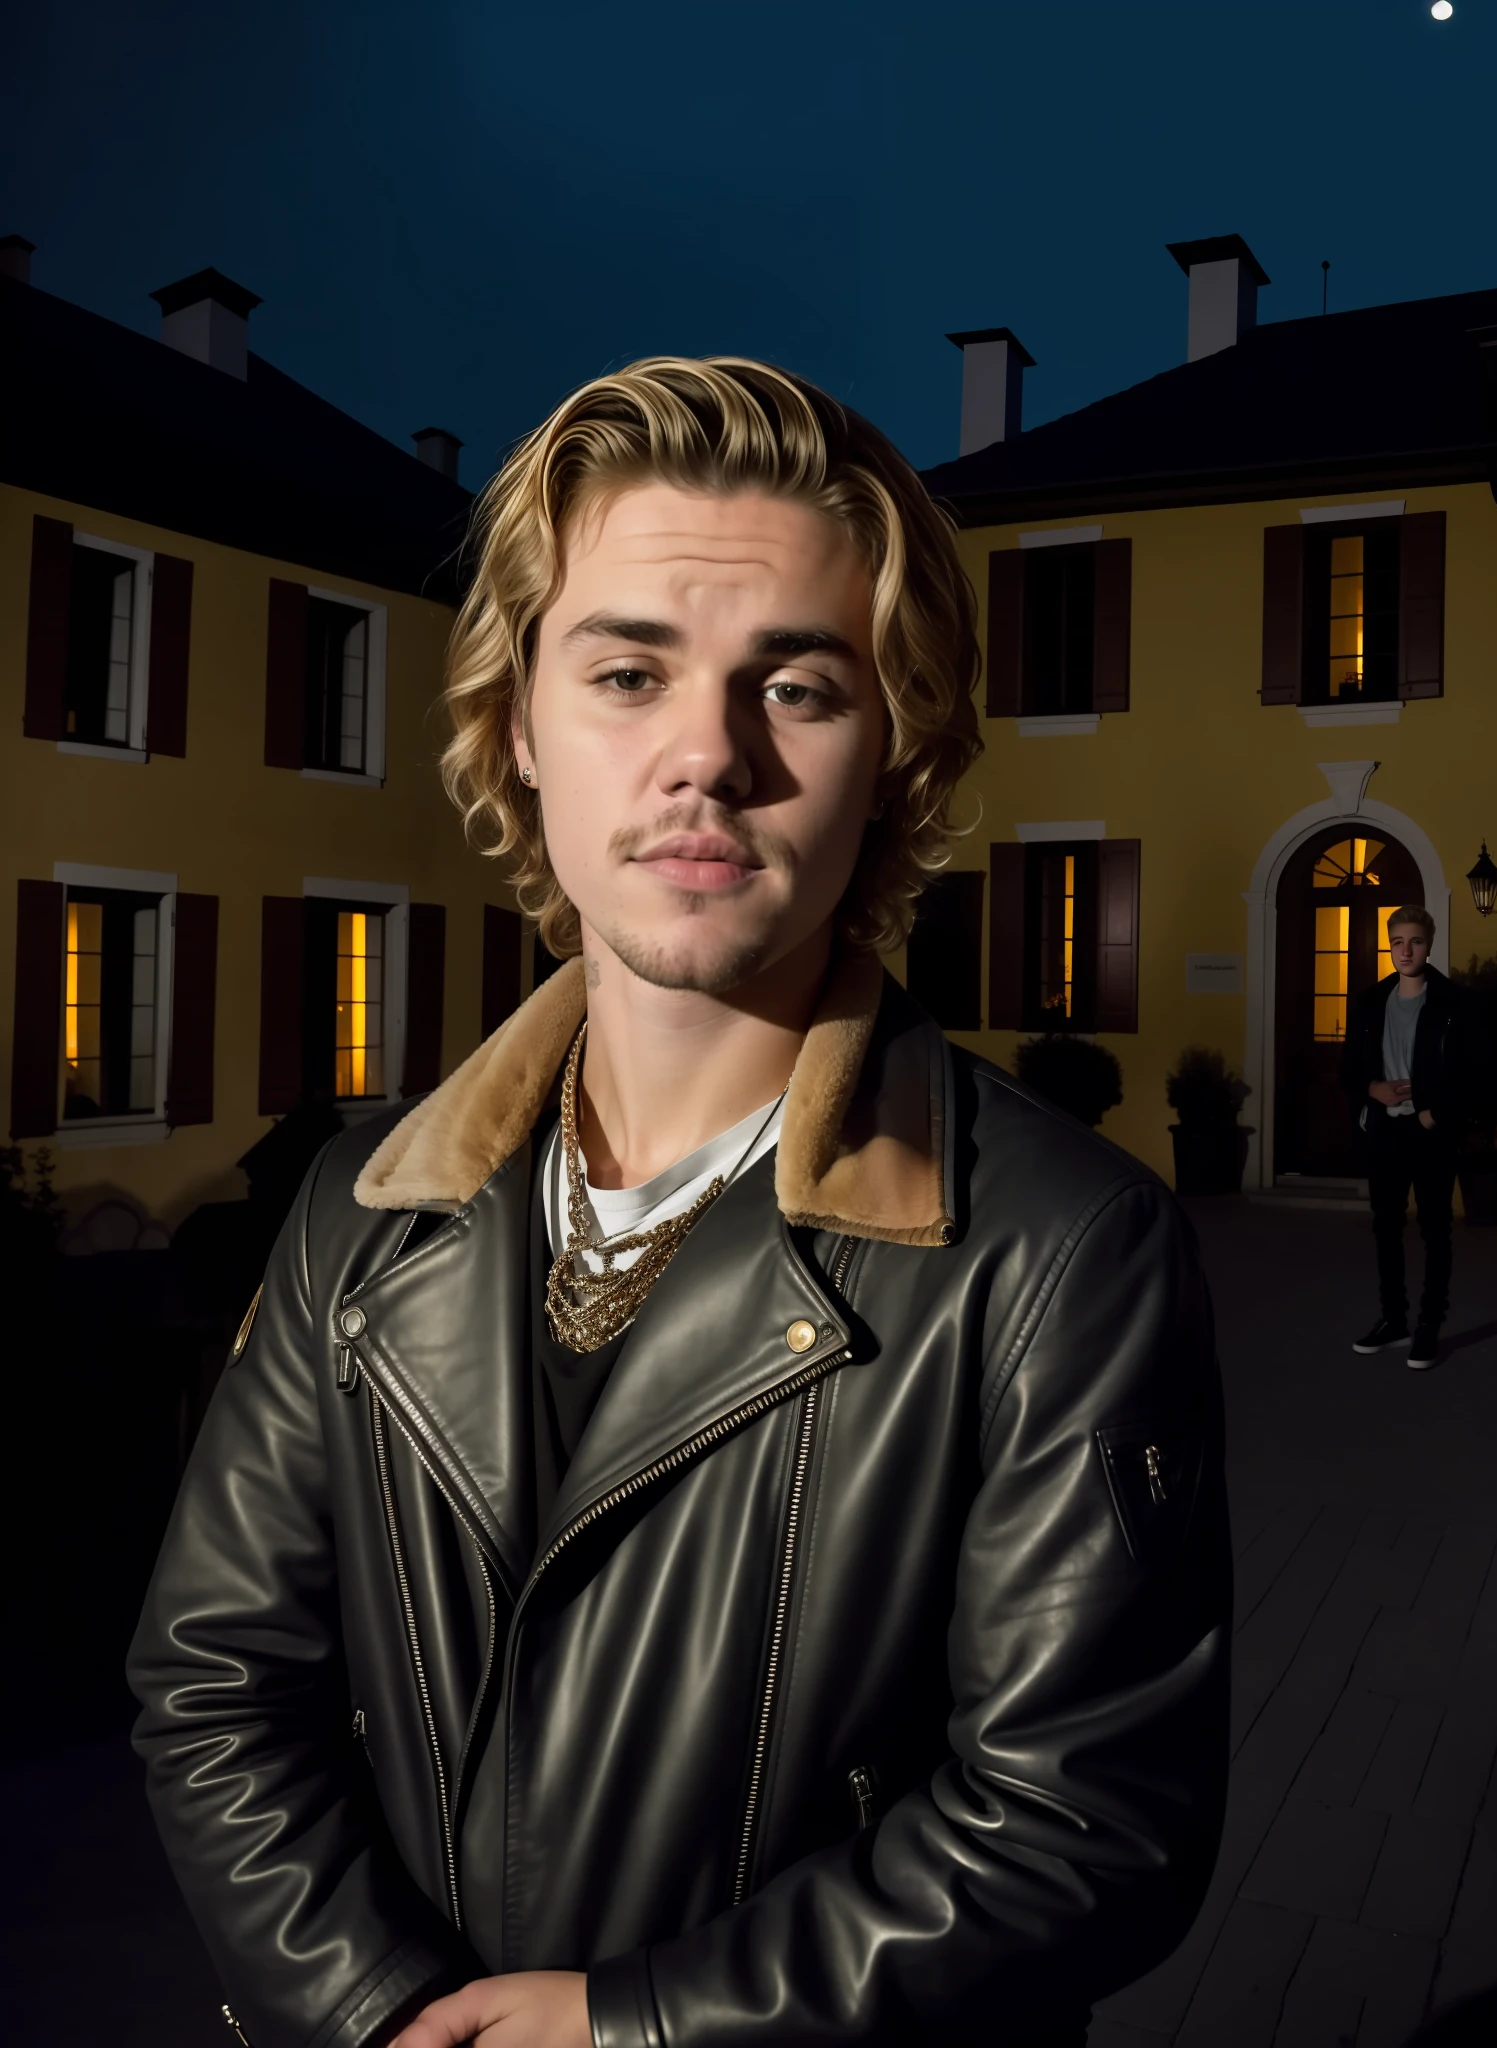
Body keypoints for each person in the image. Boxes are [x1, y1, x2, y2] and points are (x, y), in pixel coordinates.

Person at [128, 358, 1230, 2048]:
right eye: (629, 670)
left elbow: (1089, 1819)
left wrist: (632, 2025)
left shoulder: (1061, 1250)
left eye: (795, 686)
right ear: (517, 725)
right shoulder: (365, 1206)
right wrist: (373, 2013)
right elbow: (213, 1676)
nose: (704, 756)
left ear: (899, 751)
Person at [1342, 905, 1474, 1371]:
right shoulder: (1369, 1002)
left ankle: (1428, 1327)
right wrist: (1371, 1091)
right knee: (1386, 1229)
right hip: (1385, 1131)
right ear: (1389, 944)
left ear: (1429, 943)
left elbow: (1473, 1073)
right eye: (1397, 941)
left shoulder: (1453, 1002)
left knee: (1436, 1230)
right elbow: (1350, 1071)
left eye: (1415, 941)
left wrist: (1435, 1115)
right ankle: (1393, 1320)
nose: (1406, 950)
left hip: (1429, 1132)